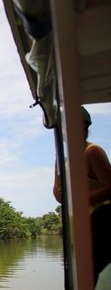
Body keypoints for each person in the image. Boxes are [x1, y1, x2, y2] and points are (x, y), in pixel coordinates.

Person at [53, 106, 111, 281]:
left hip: (100, 226)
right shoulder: (62, 159)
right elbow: (58, 194)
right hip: (77, 226)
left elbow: (110, 187)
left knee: (97, 275)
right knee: (81, 279)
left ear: (85, 127)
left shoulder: (92, 152)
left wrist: (80, 199)